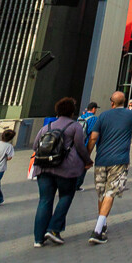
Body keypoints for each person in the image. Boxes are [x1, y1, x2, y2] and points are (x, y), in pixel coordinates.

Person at [31, 98, 92, 247]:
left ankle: (38, 238)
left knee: (44, 200)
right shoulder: (75, 126)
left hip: (44, 167)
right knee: (66, 196)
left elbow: (35, 146)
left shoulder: (47, 127)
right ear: (72, 112)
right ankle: (53, 229)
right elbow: (80, 146)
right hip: (66, 168)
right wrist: (87, 161)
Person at [86, 90, 132, 245]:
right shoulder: (130, 114)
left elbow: (93, 137)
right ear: (124, 102)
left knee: (101, 192)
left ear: (112, 102)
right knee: (110, 193)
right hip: (119, 160)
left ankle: (102, 224)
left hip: (101, 159)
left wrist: (86, 158)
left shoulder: (103, 116)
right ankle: (98, 230)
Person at [77, 102, 99, 191]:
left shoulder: (80, 117)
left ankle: (71, 182)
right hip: (86, 145)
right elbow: (94, 135)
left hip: (77, 144)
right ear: (93, 109)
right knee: (84, 164)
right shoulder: (94, 119)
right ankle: (77, 184)